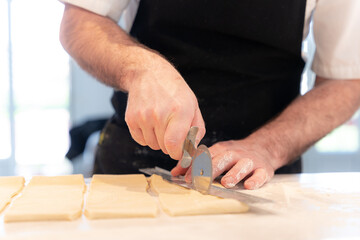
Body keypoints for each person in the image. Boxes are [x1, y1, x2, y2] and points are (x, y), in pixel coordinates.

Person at [59, 0, 360, 190]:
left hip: (261, 179)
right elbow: (81, 20)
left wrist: (268, 147)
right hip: (133, 169)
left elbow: (346, 80)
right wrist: (141, 69)